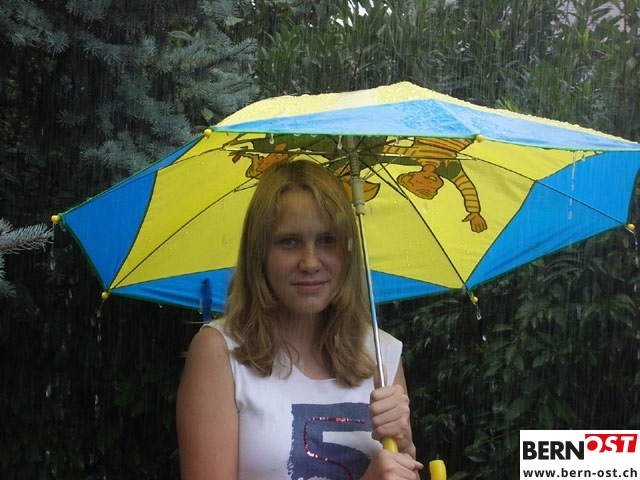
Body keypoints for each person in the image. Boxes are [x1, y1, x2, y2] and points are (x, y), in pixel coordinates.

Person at [176, 159, 423, 480]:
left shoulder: (381, 353)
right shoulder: (220, 352)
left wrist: (405, 448)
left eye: (328, 240)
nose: (310, 263)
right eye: (289, 241)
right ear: (260, 252)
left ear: (349, 250)